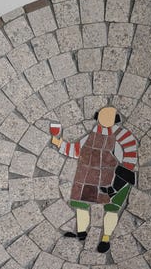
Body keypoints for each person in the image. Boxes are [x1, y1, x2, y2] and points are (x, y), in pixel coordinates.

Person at [50, 106, 137, 252]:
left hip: (116, 179)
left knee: (111, 208)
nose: (104, 119)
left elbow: (129, 161)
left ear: (115, 119)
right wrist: (59, 143)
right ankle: (81, 233)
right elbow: (77, 150)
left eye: (108, 116)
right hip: (89, 176)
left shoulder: (123, 137)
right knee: (81, 203)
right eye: (102, 116)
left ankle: (105, 238)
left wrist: (115, 185)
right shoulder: (93, 134)